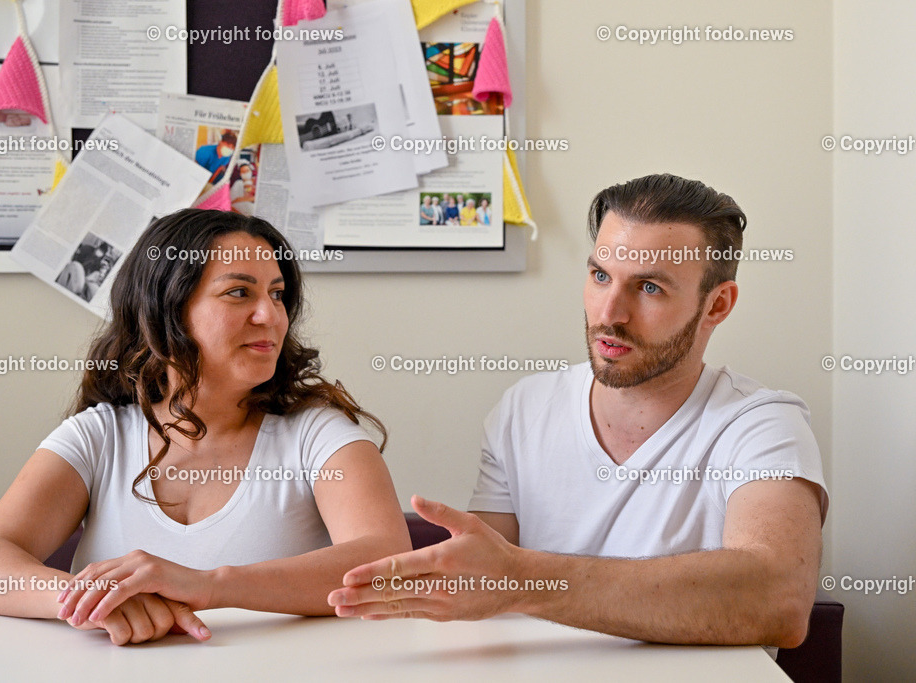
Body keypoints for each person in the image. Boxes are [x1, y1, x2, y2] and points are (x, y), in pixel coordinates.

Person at [328, 174, 828, 649]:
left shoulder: (762, 425)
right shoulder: (524, 409)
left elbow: (777, 600)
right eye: (600, 275)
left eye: (649, 287)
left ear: (717, 306)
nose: (609, 313)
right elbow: (480, 589)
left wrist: (523, 580)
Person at [0, 209, 411, 645]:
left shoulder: (317, 434)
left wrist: (209, 586)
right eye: (239, 292)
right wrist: (93, 602)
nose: (271, 316)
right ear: (166, 309)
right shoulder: (99, 435)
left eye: (277, 294)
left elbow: (388, 560)